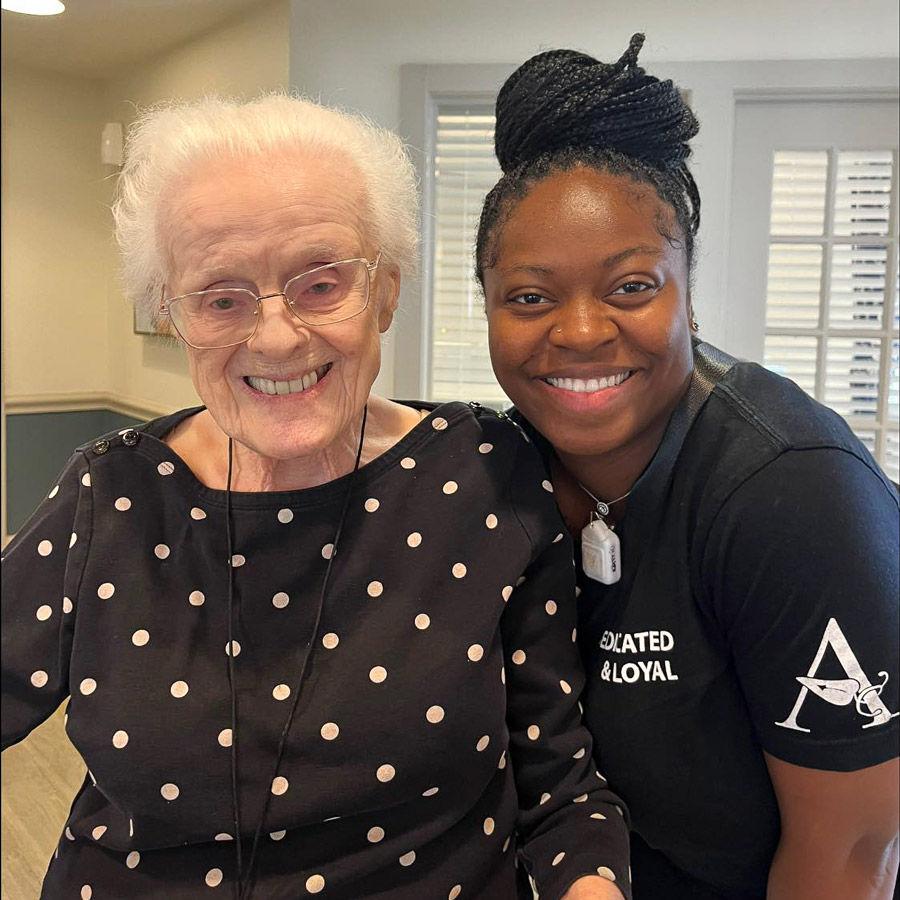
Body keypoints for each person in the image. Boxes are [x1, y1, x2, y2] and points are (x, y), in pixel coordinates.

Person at [1, 93, 631, 900]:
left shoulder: (485, 474)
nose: (273, 336)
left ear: (388, 294)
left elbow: (560, 791)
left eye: (321, 283)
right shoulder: (112, 493)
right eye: (221, 296)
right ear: (173, 316)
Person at [478, 34, 900, 900]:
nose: (583, 332)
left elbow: (853, 856)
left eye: (632, 286)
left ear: (688, 292)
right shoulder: (495, 472)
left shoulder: (791, 490)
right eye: (531, 296)